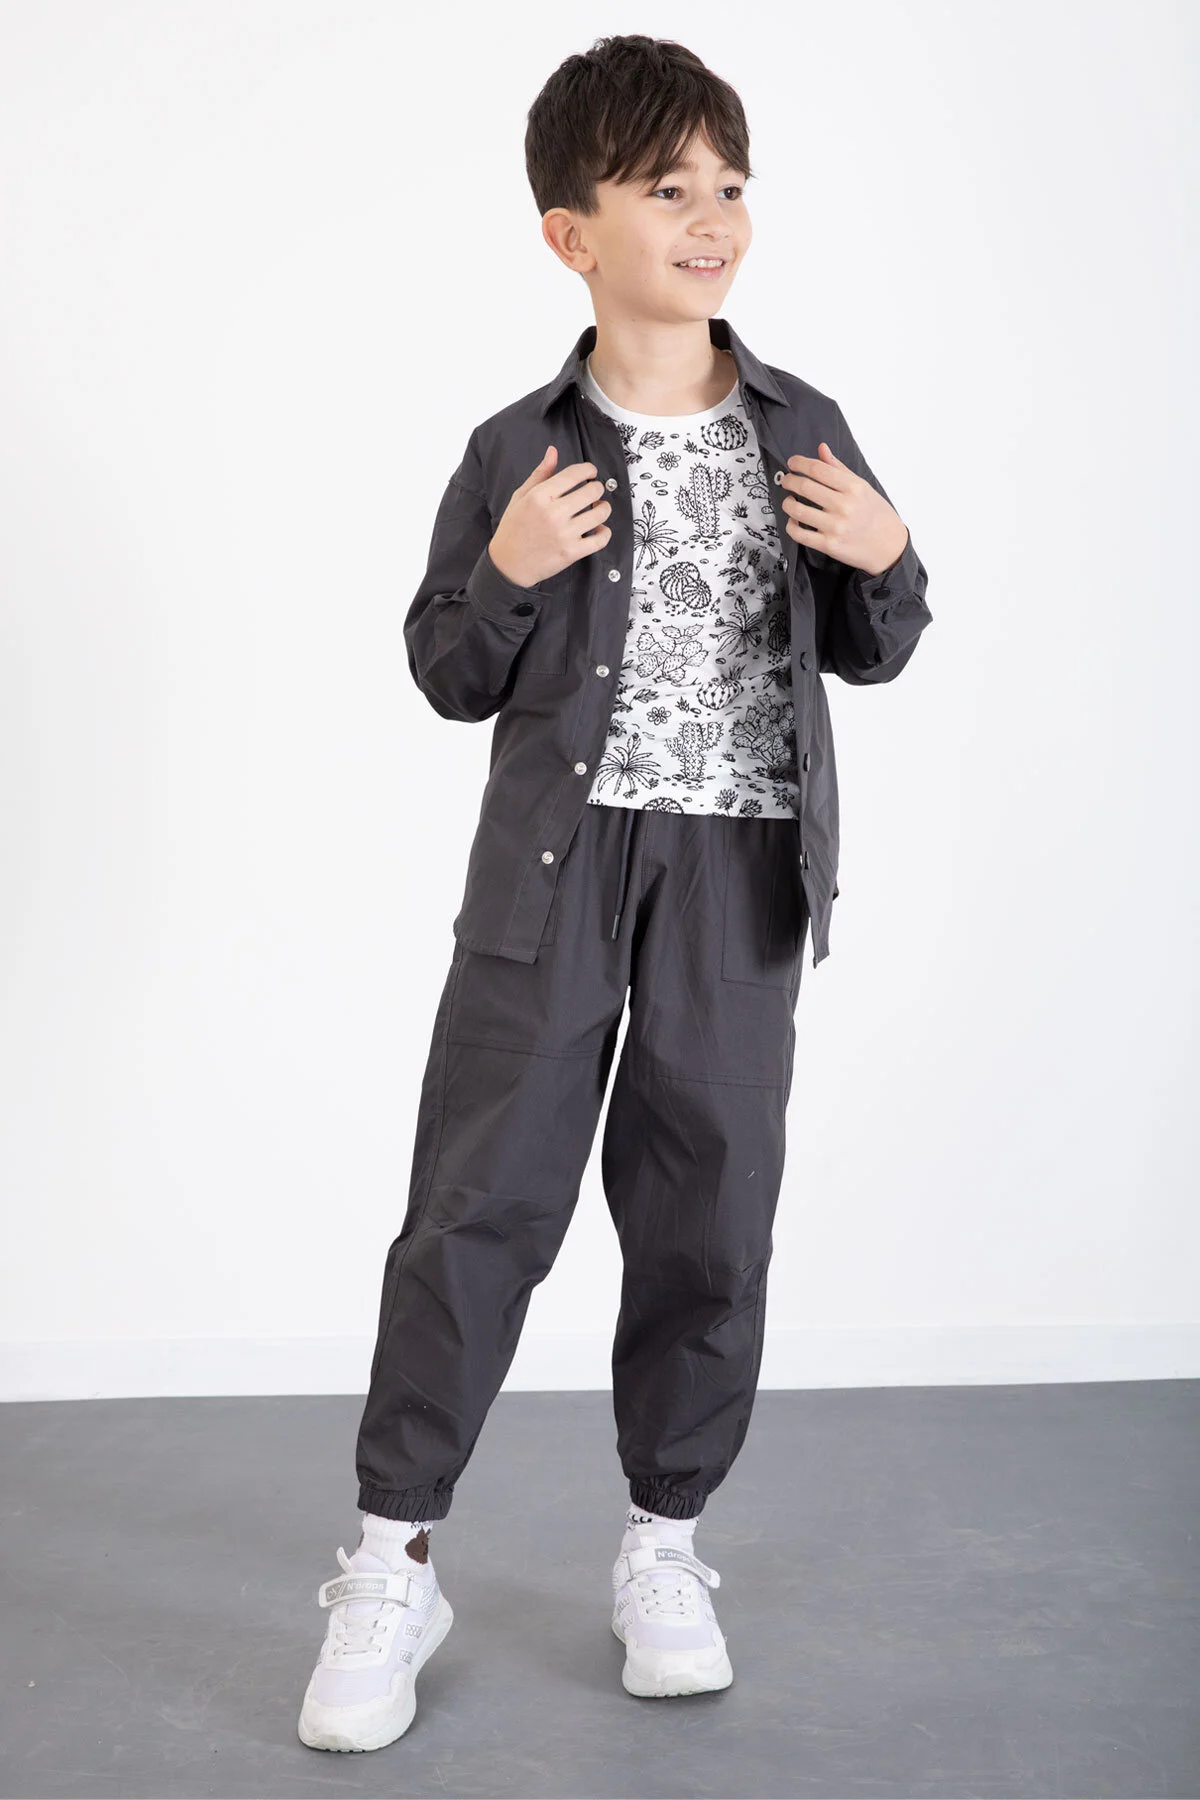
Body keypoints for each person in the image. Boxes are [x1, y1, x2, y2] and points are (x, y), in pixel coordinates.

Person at [298, 32, 932, 1753]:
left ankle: (665, 1542)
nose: (712, 216)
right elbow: (448, 670)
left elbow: (874, 646)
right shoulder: (518, 445)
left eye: (730, 183)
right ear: (572, 233)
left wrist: (893, 562)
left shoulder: (804, 426)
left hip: (740, 864)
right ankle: (391, 1558)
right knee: (478, 1205)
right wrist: (507, 573)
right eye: (668, 188)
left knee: (709, 1208)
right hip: (555, 871)